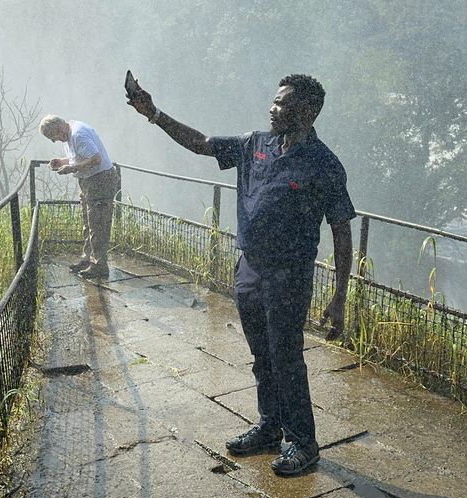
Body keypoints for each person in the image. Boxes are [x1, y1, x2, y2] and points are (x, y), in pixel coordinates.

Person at [126, 74, 355, 477]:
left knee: (286, 358)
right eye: (274, 100)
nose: (273, 108)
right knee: (261, 355)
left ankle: (304, 443)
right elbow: (202, 144)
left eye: (283, 103)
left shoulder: (325, 164)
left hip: (289, 275)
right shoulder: (254, 144)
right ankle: (270, 428)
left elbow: (341, 229)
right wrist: (154, 114)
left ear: (309, 111)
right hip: (249, 268)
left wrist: (339, 296)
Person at [39, 115, 120, 279]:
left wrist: (71, 168)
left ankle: (99, 266)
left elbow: (96, 159)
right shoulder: (70, 135)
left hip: (100, 180)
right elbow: (80, 156)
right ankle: (88, 259)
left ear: (58, 128)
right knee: (89, 222)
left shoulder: (78, 134)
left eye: (51, 136)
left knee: (98, 224)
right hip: (89, 180)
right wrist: (63, 162)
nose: (53, 141)